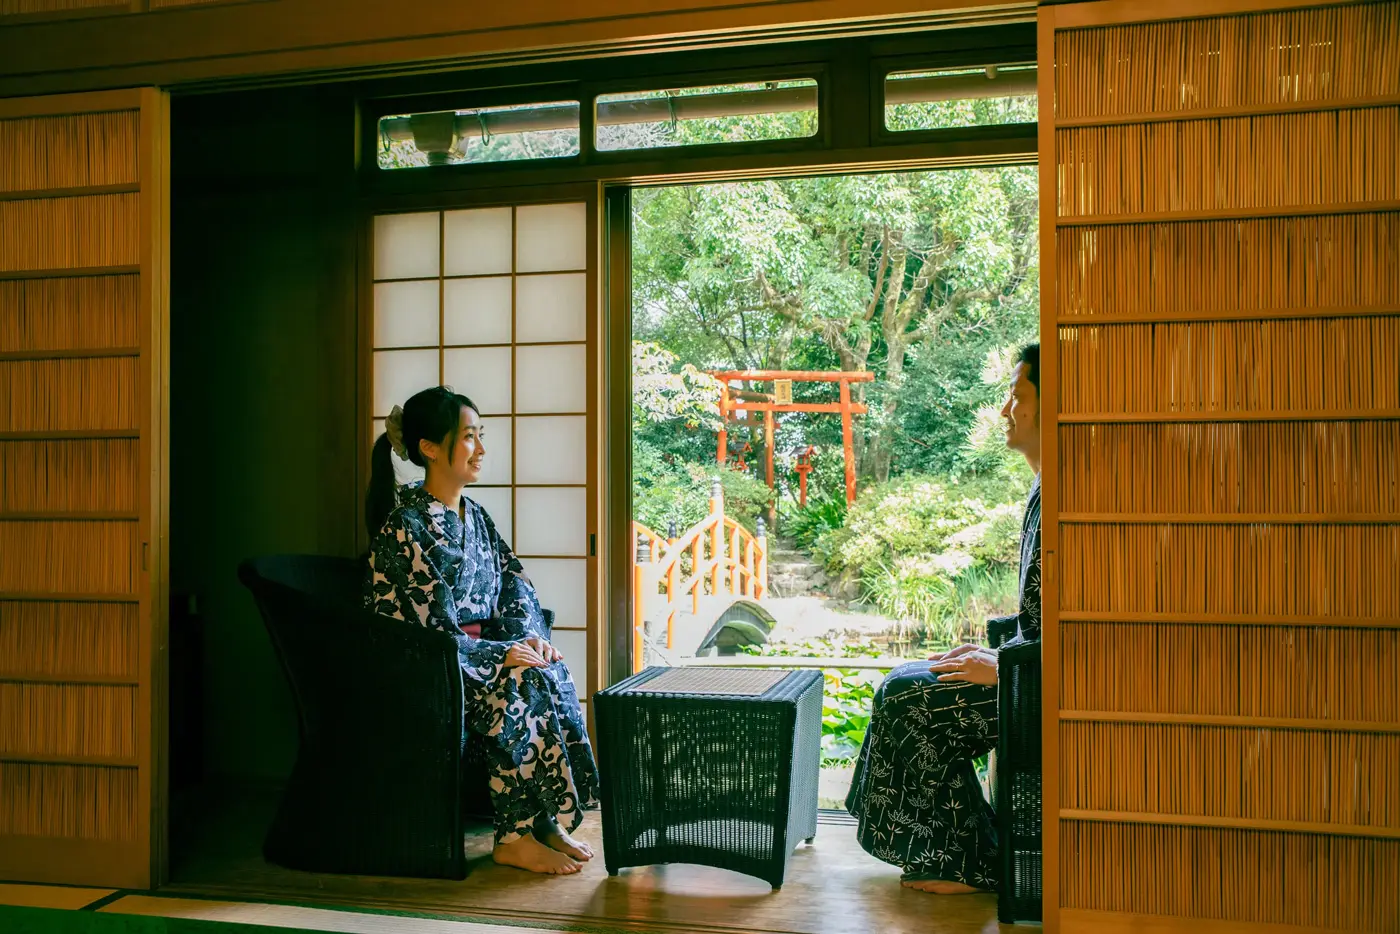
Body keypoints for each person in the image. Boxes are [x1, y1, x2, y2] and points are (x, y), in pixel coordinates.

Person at [363, 386, 600, 876]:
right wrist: (498, 655)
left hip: (478, 653)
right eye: (469, 437)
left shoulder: (478, 518)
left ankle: (542, 822)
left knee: (546, 669)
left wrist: (530, 638)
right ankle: (512, 837)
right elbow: (425, 624)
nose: (481, 449)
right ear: (429, 448)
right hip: (429, 670)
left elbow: (515, 583)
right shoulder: (404, 525)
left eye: (480, 435)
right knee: (518, 682)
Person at [844, 343, 1042, 895]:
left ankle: (968, 862)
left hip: (1053, 686)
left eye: (1017, 395)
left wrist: (1003, 667)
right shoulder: (1043, 487)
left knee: (913, 702)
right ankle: (952, 849)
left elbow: (1095, 632)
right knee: (904, 680)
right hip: (1027, 666)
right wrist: (998, 657)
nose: (1005, 410)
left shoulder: (1074, 497)